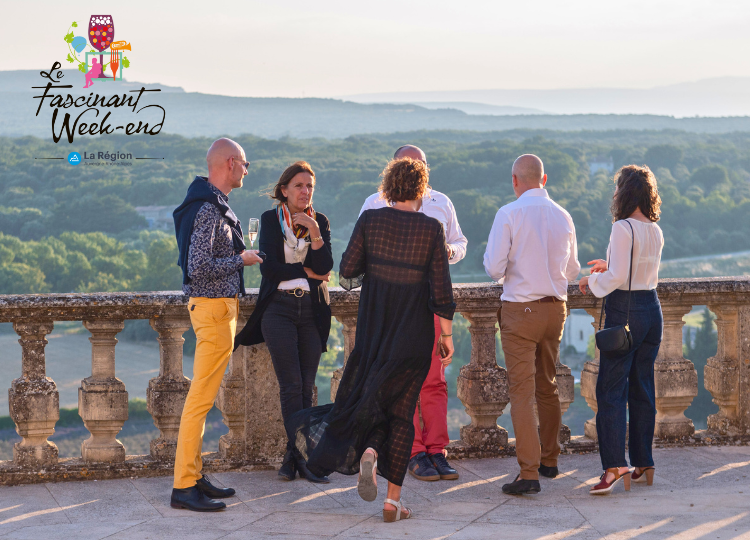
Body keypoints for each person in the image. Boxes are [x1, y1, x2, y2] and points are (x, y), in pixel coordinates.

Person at [286, 157, 456, 522]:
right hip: (413, 335)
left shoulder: (371, 220)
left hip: (374, 332)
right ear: (422, 190)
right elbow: (442, 293)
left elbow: (347, 273)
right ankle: (392, 501)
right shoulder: (431, 228)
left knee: (370, 400)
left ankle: (369, 452)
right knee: (401, 413)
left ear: (389, 188)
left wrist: (379, 268)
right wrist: (447, 335)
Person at [360, 144, 467, 483]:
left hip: (430, 301)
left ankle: (437, 450)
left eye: (420, 164)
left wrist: (447, 251)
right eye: (409, 164)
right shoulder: (374, 204)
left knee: (434, 381)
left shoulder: (442, 202)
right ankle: (414, 451)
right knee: (402, 382)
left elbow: (461, 243)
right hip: (393, 308)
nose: (416, 170)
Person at [170, 138, 263, 512]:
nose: (246, 170)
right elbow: (198, 267)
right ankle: (182, 487)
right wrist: (243, 260)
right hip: (212, 310)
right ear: (230, 163)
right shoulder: (209, 209)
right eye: (245, 163)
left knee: (203, 401)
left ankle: (193, 476)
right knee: (199, 403)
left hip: (216, 310)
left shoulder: (211, 203)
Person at [484, 154, 580, 495]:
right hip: (556, 310)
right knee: (548, 385)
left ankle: (529, 473)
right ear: (545, 178)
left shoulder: (509, 213)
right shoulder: (564, 215)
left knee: (522, 393)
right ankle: (550, 460)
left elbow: (494, 268)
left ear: (514, 181)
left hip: (520, 311)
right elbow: (572, 272)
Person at [234, 161, 333, 484]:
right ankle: (303, 458)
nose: (305, 192)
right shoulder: (270, 219)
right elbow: (270, 269)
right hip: (279, 309)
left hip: (313, 311)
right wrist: (308, 271)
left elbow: (327, 266)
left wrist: (316, 234)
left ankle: (294, 457)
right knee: (291, 386)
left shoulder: (321, 222)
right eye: (299, 186)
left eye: (310, 187)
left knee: (308, 387)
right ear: (284, 190)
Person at [579, 165, 664, 495]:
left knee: (610, 390)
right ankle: (644, 461)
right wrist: (608, 265)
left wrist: (591, 279)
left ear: (624, 192)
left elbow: (616, 279)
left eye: (617, 188)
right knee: (642, 387)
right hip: (651, 309)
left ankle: (614, 466)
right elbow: (634, 268)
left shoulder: (622, 227)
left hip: (625, 310)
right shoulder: (654, 229)